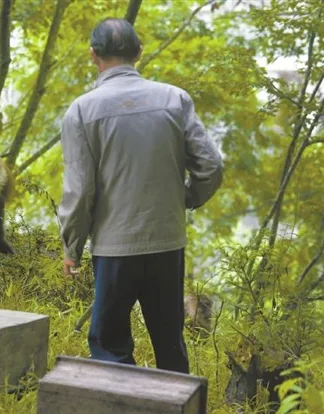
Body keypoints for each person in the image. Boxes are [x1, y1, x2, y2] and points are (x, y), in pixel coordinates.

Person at [57, 17, 223, 374]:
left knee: (109, 345)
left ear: (93, 55)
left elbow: (79, 189)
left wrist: (72, 247)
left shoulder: (81, 111)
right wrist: (186, 198)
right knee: (170, 342)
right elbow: (211, 165)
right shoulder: (174, 99)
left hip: (115, 249)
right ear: (139, 53)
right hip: (167, 242)